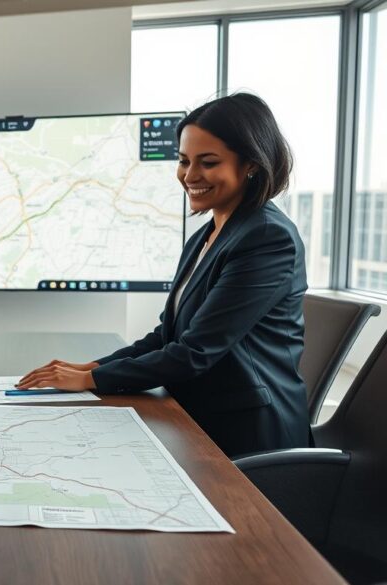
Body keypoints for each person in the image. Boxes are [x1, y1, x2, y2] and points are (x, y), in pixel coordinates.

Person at [18, 93, 309, 458]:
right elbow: (167, 336)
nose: (189, 176)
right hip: (196, 413)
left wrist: (91, 380)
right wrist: (92, 367)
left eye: (208, 162)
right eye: (184, 161)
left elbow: (195, 352)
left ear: (251, 164)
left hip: (247, 436)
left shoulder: (267, 237)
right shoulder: (208, 234)